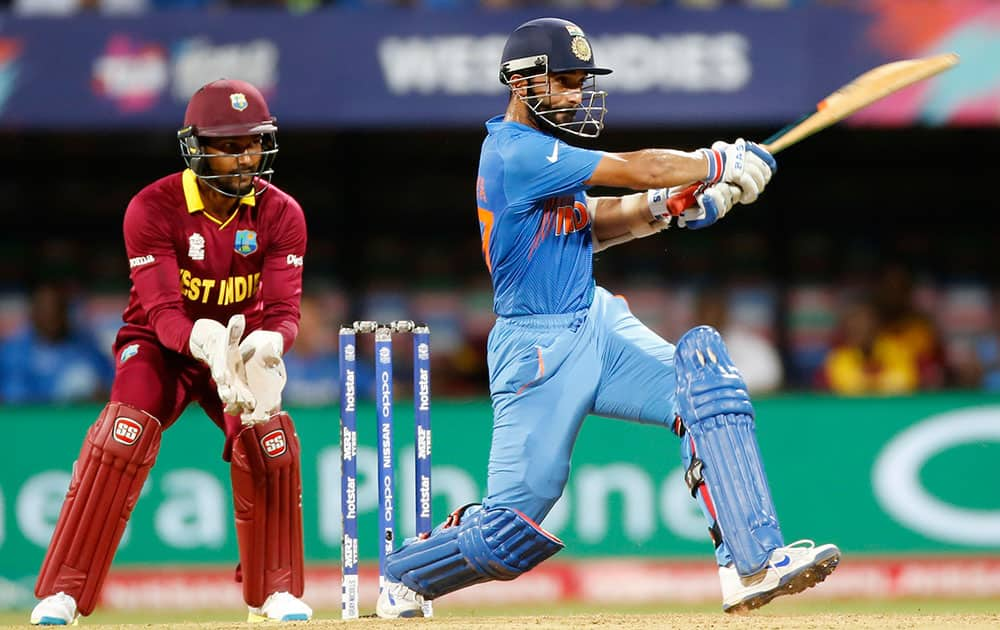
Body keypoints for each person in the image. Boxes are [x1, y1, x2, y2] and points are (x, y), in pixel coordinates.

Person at [374, 18, 839, 618]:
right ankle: (405, 575)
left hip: (595, 320)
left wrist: (667, 207)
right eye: (563, 81)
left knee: (705, 381)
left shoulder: (547, 159)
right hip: (536, 347)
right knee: (509, 529)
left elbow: (589, 225)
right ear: (520, 82)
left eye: (579, 80)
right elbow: (640, 166)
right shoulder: (515, 153)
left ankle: (751, 565)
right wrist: (712, 163)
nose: (575, 94)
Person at [30, 79, 312, 625]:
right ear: (196, 147)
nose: (244, 157)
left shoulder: (282, 214)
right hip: (161, 346)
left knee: (270, 439)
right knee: (122, 438)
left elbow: (283, 312)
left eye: (252, 143)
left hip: (240, 347)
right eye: (228, 146)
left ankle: (273, 592)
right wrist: (200, 340)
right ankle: (63, 593)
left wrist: (270, 346)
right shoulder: (152, 208)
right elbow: (162, 314)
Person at [0, 281, 113, 403]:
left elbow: (112, 390)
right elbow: (13, 399)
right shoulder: (12, 353)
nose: (51, 315)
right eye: (44, 309)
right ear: (33, 313)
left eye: (57, 308)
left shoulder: (88, 350)